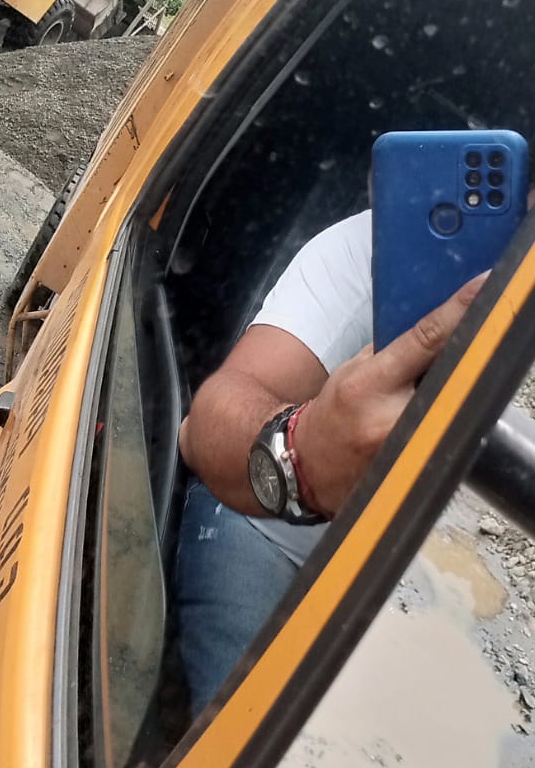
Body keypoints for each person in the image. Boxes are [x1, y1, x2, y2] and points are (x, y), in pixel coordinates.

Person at [174, 207, 494, 712]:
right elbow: (203, 426)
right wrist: (300, 456)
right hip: (261, 530)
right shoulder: (373, 248)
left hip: (376, 584)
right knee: (239, 734)